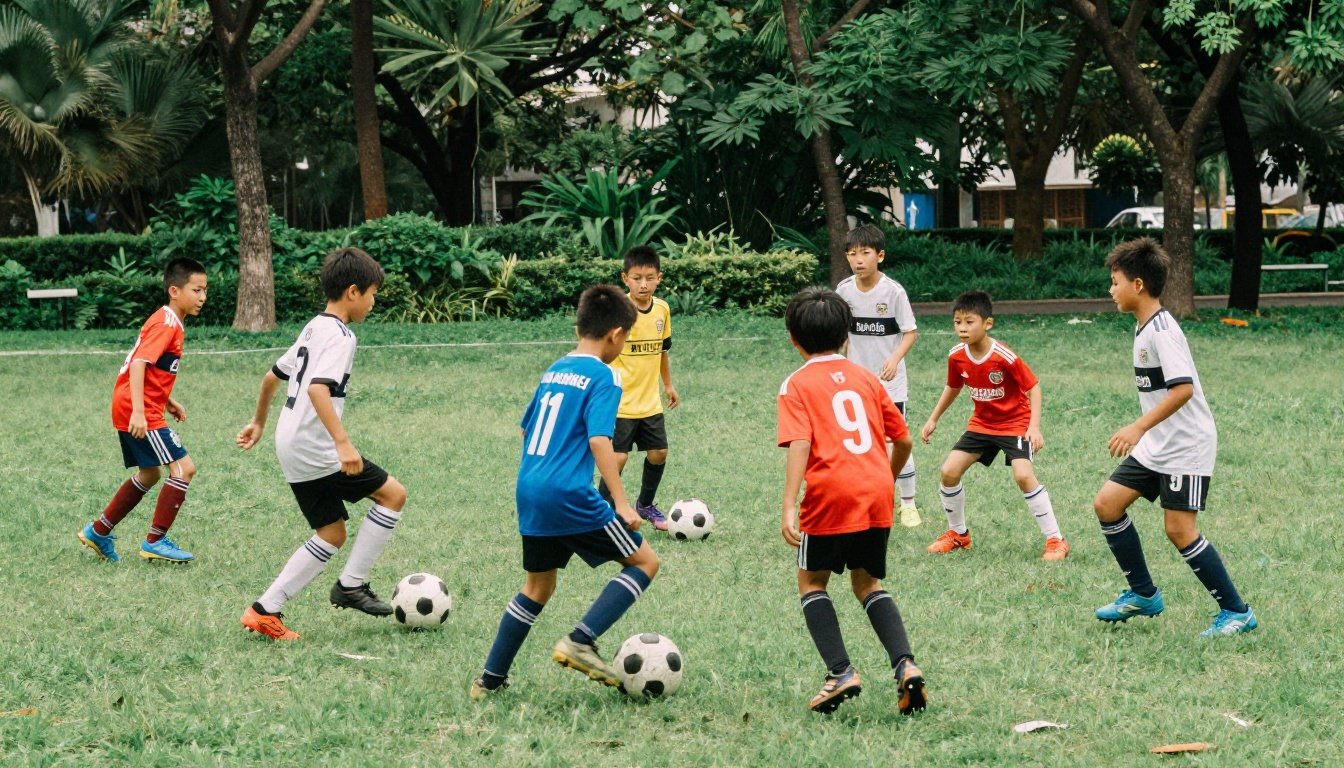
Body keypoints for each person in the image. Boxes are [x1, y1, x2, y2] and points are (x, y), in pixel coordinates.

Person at [471, 285, 659, 700]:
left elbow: (525, 428)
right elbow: (599, 441)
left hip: (530, 487)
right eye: (625, 337)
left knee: (537, 587)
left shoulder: (554, 369)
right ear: (615, 334)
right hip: (568, 493)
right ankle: (581, 639)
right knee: (644, 562)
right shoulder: (605, 375)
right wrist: (623, 504)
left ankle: (489, 680)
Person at [235, 247, 408, 640]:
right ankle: (351, 585)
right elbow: (317, 390)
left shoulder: (313, 327)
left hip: (289, 442)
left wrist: (259, 422)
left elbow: (270, 377)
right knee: (394, 495)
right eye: (372, 293)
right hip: (316, 447)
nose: (373, 302)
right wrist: (344, 445)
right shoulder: (342, 335)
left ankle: (264, 610)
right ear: (352, 292)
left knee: (332, 533)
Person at [1093, 238, 1256, 637]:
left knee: (1179, 529)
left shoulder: (1163, 331)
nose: (1110, 291)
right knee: (1107, 505)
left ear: (1137, 285)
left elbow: (1182, 390)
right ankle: (1143, 593)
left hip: (1186, 443)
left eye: (1114, 282)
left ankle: (1237, 612)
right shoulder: (1142, 326)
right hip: (1158, 443)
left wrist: (1138, 426)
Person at [778, 287, 927, 715]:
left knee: (812, 582)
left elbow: (800, 443)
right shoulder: (866, 378)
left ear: (793, 339)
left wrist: (789, 504)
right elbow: (903, 438)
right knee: (867, 584)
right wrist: (886, 476)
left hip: (830, 495)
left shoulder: (796, 384)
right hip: (876, 492)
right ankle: (905, 666)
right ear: (847, 336)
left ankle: (840, 672)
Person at [920, 291, 1068, 561]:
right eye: (957, 322)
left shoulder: (1004, 356)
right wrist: (933, 418)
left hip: (1015, 424)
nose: (962, 328)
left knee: (1023, 476)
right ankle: (958, 535)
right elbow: (953, 386)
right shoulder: (956, 356)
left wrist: (1034, 427)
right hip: (982, 424)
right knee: (948, 472)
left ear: (987, 323)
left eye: (969, 322)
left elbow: (1033, 387)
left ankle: (1056, 540)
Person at [78, 258, 208, 564]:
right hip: (138, 409)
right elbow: (138, 364)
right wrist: (140, 411)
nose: (202, 297)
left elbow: (151, 368)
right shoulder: (167, 324)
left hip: (131, 404)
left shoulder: (168, 319)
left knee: (150, 474)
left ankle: (98, 531)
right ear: (174, 290)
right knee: (183, 469)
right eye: (197, 289)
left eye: (205, 290)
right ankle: (156, 540)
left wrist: (167, 400)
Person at [835, 224, 922, 527]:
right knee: (859, 443)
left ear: (880, 256)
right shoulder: (843, 291)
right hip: (856, 383)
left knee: (897, 440)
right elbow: (841, 333)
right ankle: (864, 501)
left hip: (890, 385)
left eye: (865, 253)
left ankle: (908, 504)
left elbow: (911, 332)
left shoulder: (893, 292)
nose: (858, 260)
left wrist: (895, 359)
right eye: (851, 254)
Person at [598, 246, 679, 530]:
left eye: (649, 277)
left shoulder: (662, 309)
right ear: (625, 278)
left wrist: (667, 384)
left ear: (659, 278)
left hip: (650, 402)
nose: (643, 284)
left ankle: (644, 504)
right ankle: (602, 513)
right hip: (620, 402)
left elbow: (662, 351)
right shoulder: (618, 311)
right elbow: (600, 349)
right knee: (617, 459)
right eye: (636, 278)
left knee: (659, 452)